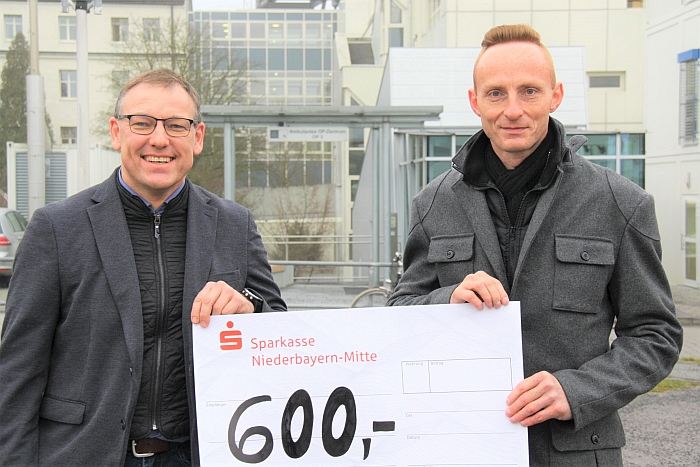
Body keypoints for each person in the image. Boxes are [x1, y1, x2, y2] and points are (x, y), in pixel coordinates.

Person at [387, 24, 682, 466]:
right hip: (463, 449)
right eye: (496, 94)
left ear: (555, 96)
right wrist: (447, 299)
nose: (513, 110)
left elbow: (656, 335)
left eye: (529, 91)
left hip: (576, 454)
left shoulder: (620, 203)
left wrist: (577, 390)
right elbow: (398, 314)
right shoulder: (433, 204)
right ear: (474, 101)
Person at [0, 68, 286, 467]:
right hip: (84, 455)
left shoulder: (234, 225)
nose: (159, 139)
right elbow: (18, 371)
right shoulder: (57, 228)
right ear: (116, 132)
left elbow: (282, 335)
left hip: (199, 455)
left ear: (197, 137)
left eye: (176, 125)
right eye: (142, 123)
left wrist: (250, 308)